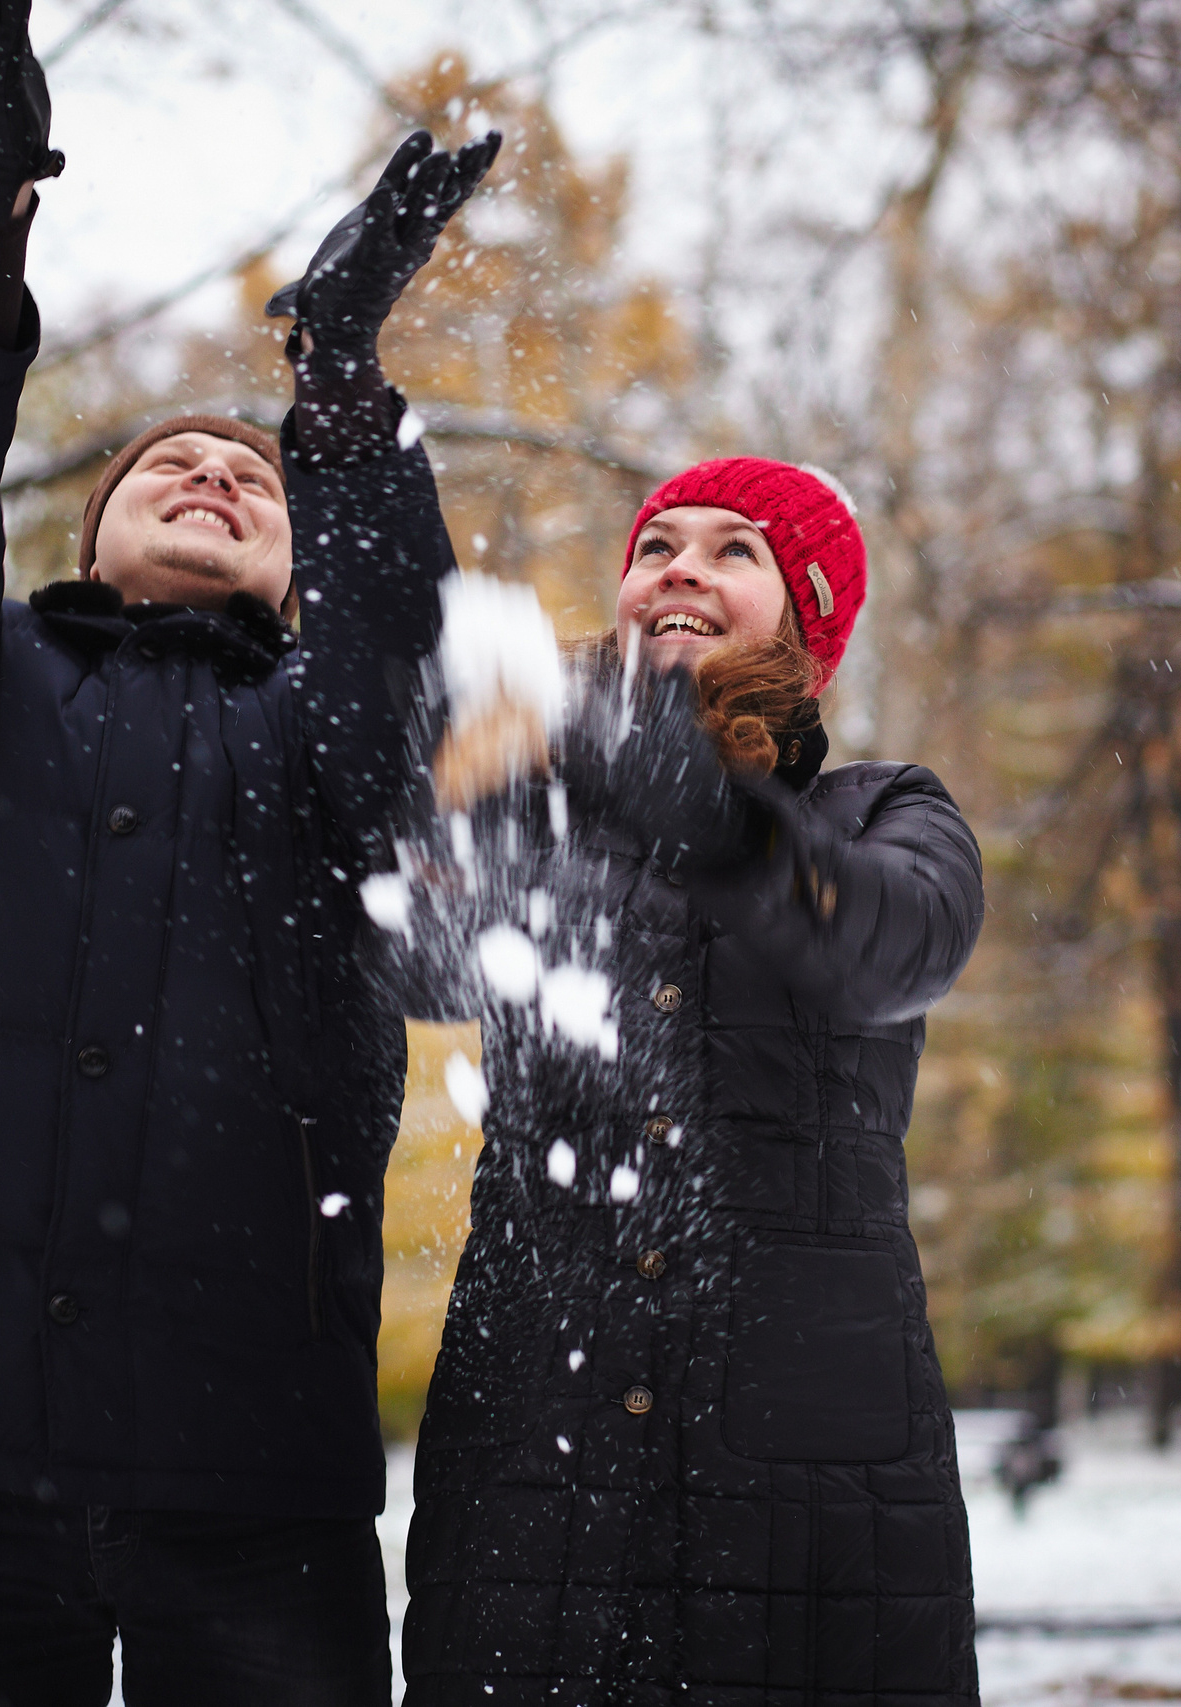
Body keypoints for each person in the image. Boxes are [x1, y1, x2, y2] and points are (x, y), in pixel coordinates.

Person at [0, 2, 496, 1700]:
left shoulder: (336, 737)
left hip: (258, 1468)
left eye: (248, 476)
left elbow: (395, 661)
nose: (208, 472)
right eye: (166, 465)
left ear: (298, 560)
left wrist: (339, 374)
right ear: (93, 533)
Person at [382, 458, 987, 1703]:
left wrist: (689, 786)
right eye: (655, 547)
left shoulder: (886, 811)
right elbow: (403, 959)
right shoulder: (529, 804)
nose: (679, 571)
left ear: (809, 620)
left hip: (818, 1481)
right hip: (537, 1449)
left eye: (733, 550)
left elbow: (887, 948)